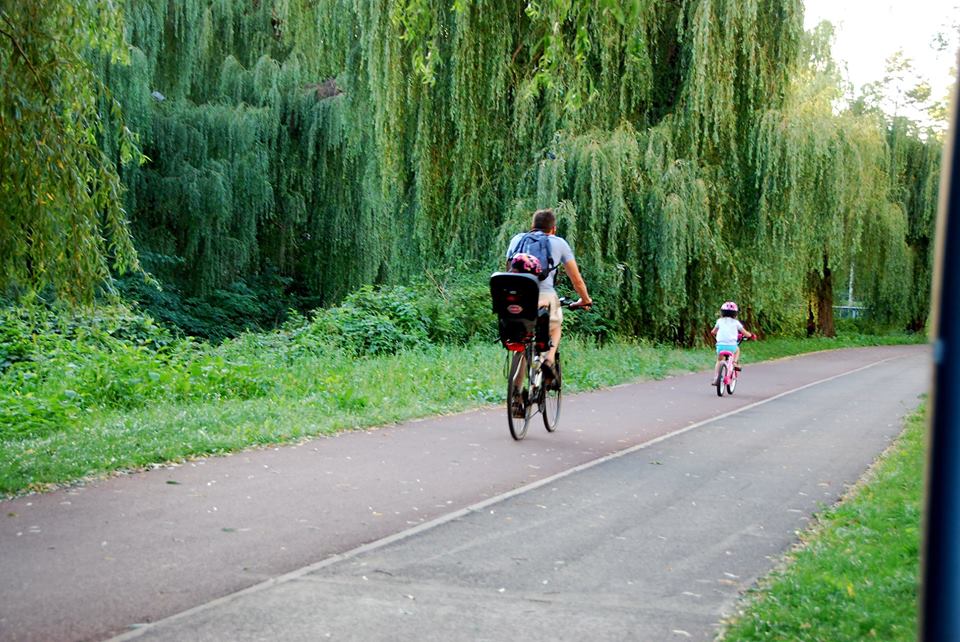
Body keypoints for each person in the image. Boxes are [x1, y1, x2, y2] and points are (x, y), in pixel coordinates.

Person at [506, 209, 592, 381]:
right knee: (556, 326)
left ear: (532, 226)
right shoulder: (559, 243)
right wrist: (585, 300)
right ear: (553, 228)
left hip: (517, 299)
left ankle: (515, 395)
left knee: (523, 342)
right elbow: (577, 280)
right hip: (545, 297)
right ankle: (549, 360)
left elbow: (508, 271)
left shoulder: (517, 239)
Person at [710, 301, 757, 385]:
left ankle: (716, 378)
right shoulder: (736, 323)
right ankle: (735, 363)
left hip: (720, 346)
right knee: (737, 350)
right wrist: (751, 335)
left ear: (722, 312)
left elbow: (713, 331)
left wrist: (715, 333)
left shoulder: (719, 321)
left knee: (719, 360)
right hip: (732, 346)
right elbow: (745, 333)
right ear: (735, 314)